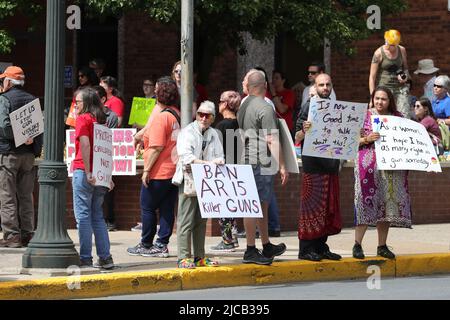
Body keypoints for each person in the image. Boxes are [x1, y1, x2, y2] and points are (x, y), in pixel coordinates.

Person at [353, 86, 412, 259]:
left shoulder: (397, 118)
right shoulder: (363, 116)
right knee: (365, 202)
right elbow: (349, 140)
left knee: (386, 204)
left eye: (383, 99)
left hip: (391, 168)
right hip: (367, 166)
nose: (379, 102)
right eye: (377, 98)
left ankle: (382, 245)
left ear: (389, 101)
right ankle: (357, 245)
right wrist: (366, 139)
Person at [237, 70, 289, 265]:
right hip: (260, 161)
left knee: (261, 205)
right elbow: (272, 140)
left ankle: (265, 244)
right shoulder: (265, 107)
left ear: (249, 87)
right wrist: (283, 165)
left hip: (247, 158)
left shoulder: (243, 105)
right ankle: (251, 249)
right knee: (254, 206)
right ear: (265, 85)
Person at [127, 77, 180, 258]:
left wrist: (147, 171)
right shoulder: (175, 114)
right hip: (173, 170)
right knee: (167, 209)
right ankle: (162, 244)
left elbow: (157, 147)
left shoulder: (161, 117)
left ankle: (146, 244)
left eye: (156, 90)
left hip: (159, 171)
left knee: (148, 207)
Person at [295, 73, 342, 262]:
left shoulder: (337, 108)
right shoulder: (309, 106)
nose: (325, 88)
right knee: (312, 207)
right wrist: (304, 130)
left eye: (328, 85)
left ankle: (321, 246)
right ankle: (306, 249)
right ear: (315, 87)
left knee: (327, 207)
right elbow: (296, 136)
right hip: (313, 165)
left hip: (330, 164)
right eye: (321, 85)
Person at [173, 101, 224, 269]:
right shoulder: (187, 132)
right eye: (200, 114)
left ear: (213, 118)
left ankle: (199, 257)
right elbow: (186, 157)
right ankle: (183, 257)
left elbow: (220, 156)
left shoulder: (214, 134)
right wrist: (209, 163)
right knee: (186, 220)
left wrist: (211, 163)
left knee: (201, 221)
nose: (203, 117)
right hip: (189, 180)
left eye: (207, 115)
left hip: (206, 181)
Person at [0, 66, 43, 248]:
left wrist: (19, 138)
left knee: (7, 195)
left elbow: (4, 127)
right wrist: (33, 147)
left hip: (9, 153)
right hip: (28, 156)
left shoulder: (4, 99)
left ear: (9, 82)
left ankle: (12, 236)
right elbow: (39, 128)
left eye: (3, 80)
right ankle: (28, 233)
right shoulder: (33, 99)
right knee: (26, 195)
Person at [71, 87, 114, 269]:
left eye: (77, 102)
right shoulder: (101, 120)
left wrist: (88, 172)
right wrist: (108, 176)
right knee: (97, 216)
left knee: (83, 217)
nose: (75, 105)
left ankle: (86, 258)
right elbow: (106, 150)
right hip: (101, 174)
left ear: (86, 103)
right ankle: (105, 258)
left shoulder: (82, 119)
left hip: (84, 171)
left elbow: (86, 145)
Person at [210, 90, 241, 252]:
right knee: (232, 207)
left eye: (220, 101)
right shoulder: (239, 124)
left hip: (224, 169)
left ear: (226, 104)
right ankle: (232, 238)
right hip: (237, 170)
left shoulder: (222, 126)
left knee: (224, 207)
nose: (218, 104)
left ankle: (227, 240)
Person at [93, 85, 119, 232]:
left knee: (107, 189)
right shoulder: (87, 115)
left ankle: (109, 219)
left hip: (105, 156)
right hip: (91, 156)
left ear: (103, 99)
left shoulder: (112, 116)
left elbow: (113, 136)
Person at [369, 29, 411, 118]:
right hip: (384, 89)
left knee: (404, 116)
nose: (392, 48)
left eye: (394, 45)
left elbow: (406, 68)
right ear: (385, 41)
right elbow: (372, 77)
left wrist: (405, 77)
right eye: (390, 45)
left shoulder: (402, 50)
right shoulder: (378, 53)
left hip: (400, 89)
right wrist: (372, 97)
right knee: (387, 116)